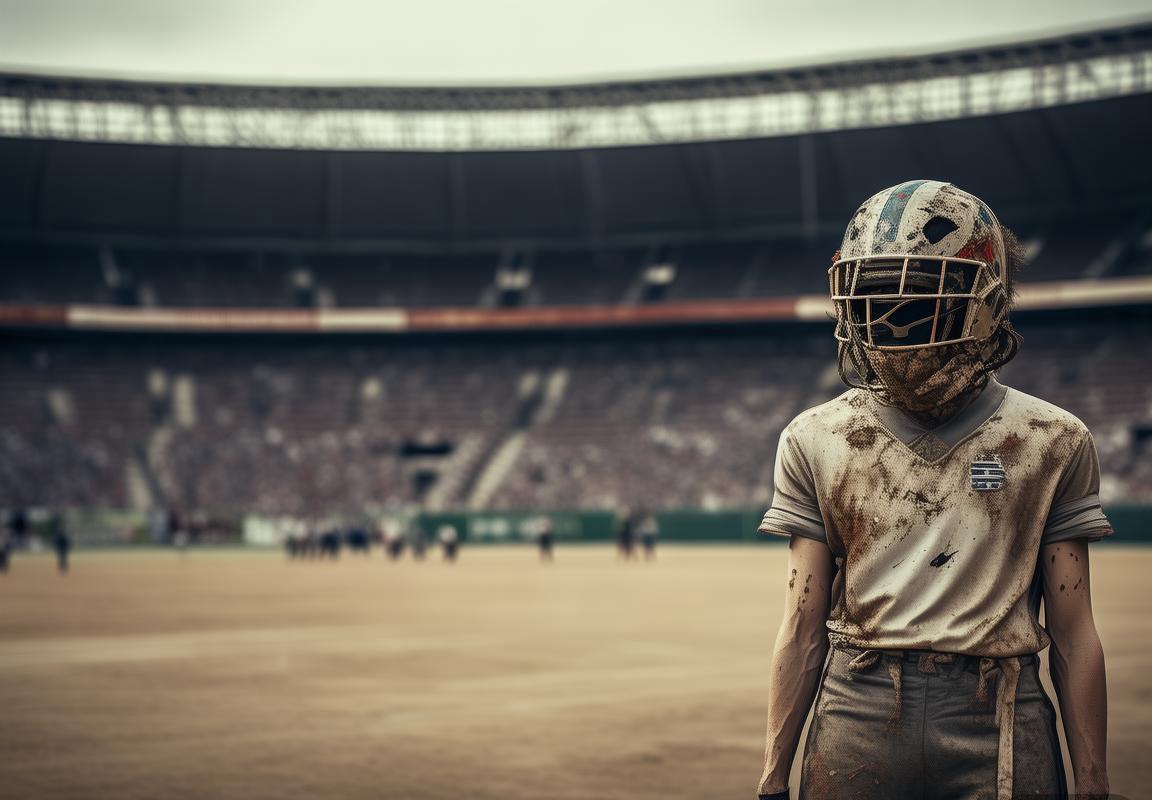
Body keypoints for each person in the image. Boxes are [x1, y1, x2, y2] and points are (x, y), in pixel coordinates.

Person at [755, 181, 1112, 800]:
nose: (890, 317)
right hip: (856, 703)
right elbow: (802, 623)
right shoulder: (817, 437)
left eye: (918, 293)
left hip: (1001, 706)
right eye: (873, 294)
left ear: (983, 303)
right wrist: (772, 777)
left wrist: (1094, 782)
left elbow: (1075, 630)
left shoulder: (1051, 439)